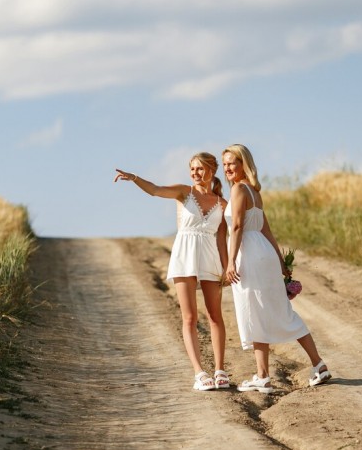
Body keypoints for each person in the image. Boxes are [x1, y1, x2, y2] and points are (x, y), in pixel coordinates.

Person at [114, 153, 230, 392]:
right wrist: (135, 178)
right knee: (190, 317)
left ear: (212, 170)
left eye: (200, 169)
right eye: (193, 169)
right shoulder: (183, 192)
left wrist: (227, 267)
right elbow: (155, 190)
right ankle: (199, 372)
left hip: (210, 257)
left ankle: (220, 370)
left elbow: (222, 240)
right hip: (185, 255)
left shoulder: (222, 204)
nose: (195, 173)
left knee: (215, 316)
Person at [222, 144, 331, 393]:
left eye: (232, 163)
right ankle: (316, 365)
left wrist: (230, 261)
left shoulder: (239, 189)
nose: (228, 168)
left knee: (253, 311)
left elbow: (237, 227)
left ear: (243, 164)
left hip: (248, 253)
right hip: (264, 254)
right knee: (282, 311)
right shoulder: (254, 191)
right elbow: (266, 229)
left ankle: (263, 376)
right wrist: (280, 262)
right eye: (225, 164)